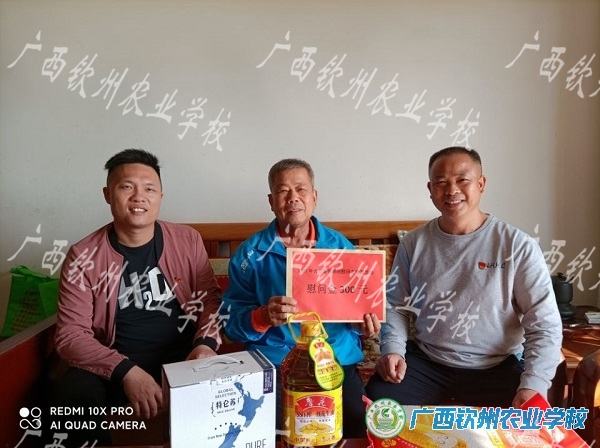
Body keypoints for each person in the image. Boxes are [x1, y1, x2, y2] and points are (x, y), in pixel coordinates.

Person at [366, 146, 563, 408]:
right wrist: (393, 351)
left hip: (496, 365)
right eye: (441, 182)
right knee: (376, 406)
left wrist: (533, 384)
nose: (451, 190)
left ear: (481, 184)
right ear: (430, 189)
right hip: (429, 362)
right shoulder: (414, 243)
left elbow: (544, 322)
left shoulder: (517, 246)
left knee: (526, 418)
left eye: (462, 180)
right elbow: (395, 305)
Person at [52, 149, 222, 446]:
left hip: (183, 360)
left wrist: (205, 345)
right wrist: (125, 371)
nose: (139, 197)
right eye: (127, 187)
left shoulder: (187, 241)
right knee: (72, 397)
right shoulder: (83, 256)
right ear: (108, 195)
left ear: (160, 196)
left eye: (149, 189)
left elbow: (210, 301)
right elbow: (71, 335)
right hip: (114, 364)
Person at [221, 158, 380, 438]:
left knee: (359, 429)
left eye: (301, 189)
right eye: (283, 191)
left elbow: (360, 310)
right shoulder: (250, 254)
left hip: (333, 357)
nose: (293, 197)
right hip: (274, 360)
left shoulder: (340, 248)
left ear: (314, 197)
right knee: (270, 431)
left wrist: (361, 324)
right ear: (271, 201)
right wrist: (261, 317)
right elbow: (230, 325)